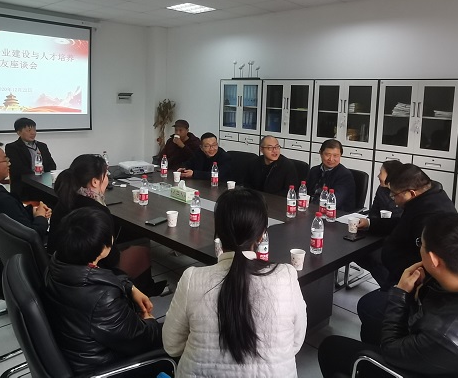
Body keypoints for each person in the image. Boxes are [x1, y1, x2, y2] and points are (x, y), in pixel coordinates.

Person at [318, 214, 458, 378]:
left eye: (421, 244)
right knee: (372, 321)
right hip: (449, 358)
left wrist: (401, 294)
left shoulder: (445, 336)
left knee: (331, 347)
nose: (419, 249)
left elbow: (390, 348)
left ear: (434, 260)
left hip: (426, 363)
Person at [162, 188, 307, 377]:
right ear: (262, 235)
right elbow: (295, 343)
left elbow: (172, 346)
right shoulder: (286, 276)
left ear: (218, 233)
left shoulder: (192, 279)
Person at [44, 207, 163, 375]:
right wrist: (150, 322)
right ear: (103, 248)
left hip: (81, 352)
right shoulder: (102, 299)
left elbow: (101, 277)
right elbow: (140, 340)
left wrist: (130, 287)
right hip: (106, 368)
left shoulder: (59, 263)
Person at [357, 163, 457, 344]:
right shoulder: (426, 198)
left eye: (394, 194)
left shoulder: (431, 214)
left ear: (411, 193)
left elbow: (428, 264)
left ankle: (376, 353)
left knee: (368, 307)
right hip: (398, 275)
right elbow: (402, 224)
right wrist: (371, 223)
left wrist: (402, 287)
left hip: (413, 285)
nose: (393, 199)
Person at [50, 154, 167, 296]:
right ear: (95, 182)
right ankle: (141, 290)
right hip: (92, 273)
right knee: (141, 246)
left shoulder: (65, 199)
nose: (107, 180)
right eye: (105, 176)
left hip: (60, 267)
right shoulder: (98, 211)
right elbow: (111, 259)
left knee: (129, 233)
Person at [353, 160, 403, 286]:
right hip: (377, 231)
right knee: (355, 250)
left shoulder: (402, 195)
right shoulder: (382, 189)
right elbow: (374, 212)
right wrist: (369, 222)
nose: (378, 176)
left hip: (394, 237)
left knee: (374, 257)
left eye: (381, 173)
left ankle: (391, 288)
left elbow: (399, 222)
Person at [5, 117, 56, 199]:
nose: (33, 133)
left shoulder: (42, 146)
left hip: (44, 183)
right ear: (19, 132)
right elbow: (18, 169)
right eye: (29, 130)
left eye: (34, 130)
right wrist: (36, 177)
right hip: (26, 186)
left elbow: (51, 165)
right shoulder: (12, 147)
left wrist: (46, 177)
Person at [306, 139, 355, 210]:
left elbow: (333, 202)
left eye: (335, 156)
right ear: (321, 154)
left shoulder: (345, 176)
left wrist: (310, 207)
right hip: (312, 209)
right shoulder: (314, 170)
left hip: (335, 212)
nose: (331, 159)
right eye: (327, 155)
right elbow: (305, 192)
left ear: (340, 155)